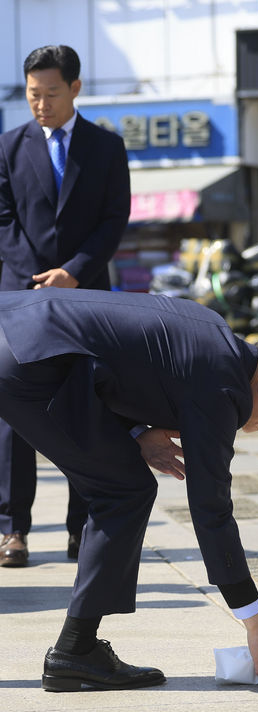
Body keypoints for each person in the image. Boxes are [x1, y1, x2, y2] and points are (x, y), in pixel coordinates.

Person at [0, 287, 258, 690]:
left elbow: (108, 357)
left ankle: (77, 649)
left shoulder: (214, 337)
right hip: (27, 362)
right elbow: (211, 509)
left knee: (126, 483)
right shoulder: (221, 388)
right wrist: (257, 624)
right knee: (122, 491)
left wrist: (136, 431)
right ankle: (75, 651)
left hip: (19, 329)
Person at [0, 45, 130, 568]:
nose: (41, 104)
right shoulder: (9, 147)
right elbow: (3, 218)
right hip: (20, 294)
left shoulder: (105, 147)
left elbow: (113, 218)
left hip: (86, 295)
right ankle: (12, 530)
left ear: (74, 89)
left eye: (51, 94)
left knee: (86, 408)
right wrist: (39, 275)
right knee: (11, 416)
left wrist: (73, 270)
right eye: (33, 95)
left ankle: (83, 528)